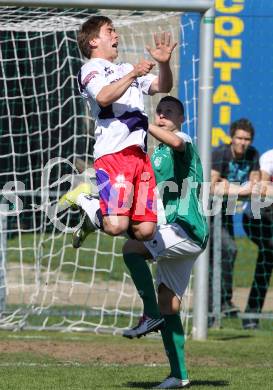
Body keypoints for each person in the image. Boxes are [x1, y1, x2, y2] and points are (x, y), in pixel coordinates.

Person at [61, 96, 208, 388]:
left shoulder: (182, 140)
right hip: (173, 234)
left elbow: (177, 143)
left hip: (186, 229)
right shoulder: (153, 158)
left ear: (181, 118)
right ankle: (179, 375)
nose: (163, 114)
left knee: (132, 249)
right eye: (159, 110)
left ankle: (149, 313)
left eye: (169, 111)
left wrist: (146, 123)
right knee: (170, 303)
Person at [60, 15, 177, 242]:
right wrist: (133, 73)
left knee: (145, 231)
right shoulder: (91, 68)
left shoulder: (124, 68)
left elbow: (163, 85)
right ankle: (85, 198)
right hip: (114, 154)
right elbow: (104, 97)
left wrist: (163, 63)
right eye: (110, 31)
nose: (117, 35)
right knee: (115, 225)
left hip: (140, 157)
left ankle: (93, 218)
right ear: (93, 41)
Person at [210, 118, 260, 317]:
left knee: (226, 253)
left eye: (246, 139)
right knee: (227, 249)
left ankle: (222, 303)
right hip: (208, 211)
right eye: (239, 138)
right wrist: (241, 188)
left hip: (226, 211)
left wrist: (229, 186)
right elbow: (213, 186)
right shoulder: (220, 153)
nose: (242, 142)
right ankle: (218, 303)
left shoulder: (253, 154)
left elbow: (255, 186)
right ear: (231, 138)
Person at [242, 148, 273, 329]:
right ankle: (251, 317)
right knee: (268, 254)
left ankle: (250, 317)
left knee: (267, 259)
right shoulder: (268, 157)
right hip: (256, 218)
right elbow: (261, 188)